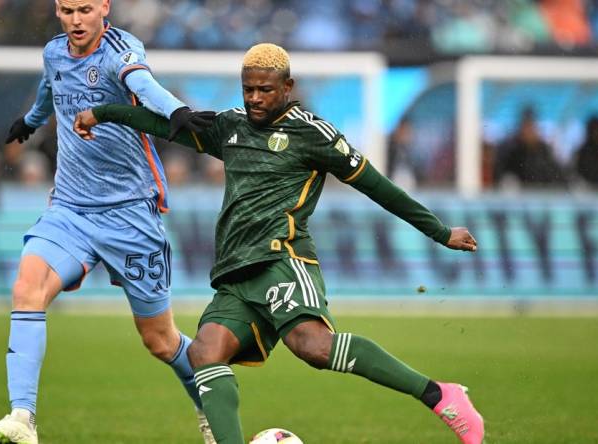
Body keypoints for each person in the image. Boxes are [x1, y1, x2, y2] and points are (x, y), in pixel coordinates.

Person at [74, 43, 485, 444]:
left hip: (283, 258)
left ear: (287, 87)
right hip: (236, 272)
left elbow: (378, 187)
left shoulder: (314, 134)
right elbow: (160, 123)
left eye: (264, 90)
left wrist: (439, 231)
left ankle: (440, 395)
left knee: (313, 347)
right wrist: (103, 113)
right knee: (205, 352)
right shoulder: (229, 127)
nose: (254, 98)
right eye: (248, 89)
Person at [0, 1, 216, 443]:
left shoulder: (121, 50)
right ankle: (21, 418)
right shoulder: (54, 52)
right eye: (66, 10)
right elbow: (50, 89)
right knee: (27, 287)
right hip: (70, 209)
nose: (76, 20)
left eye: (85, 9)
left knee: (160, 341)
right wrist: (31, 121)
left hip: (130, 215)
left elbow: (141, 82)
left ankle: (209, 405)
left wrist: (177, 112)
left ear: (104, 6)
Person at [495, 107, 566, 189]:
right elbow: (501, 174)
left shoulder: (544, 150)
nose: (527, 131)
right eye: (525, 126)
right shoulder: (511, 150)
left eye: (530, 126)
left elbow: (557, 176)